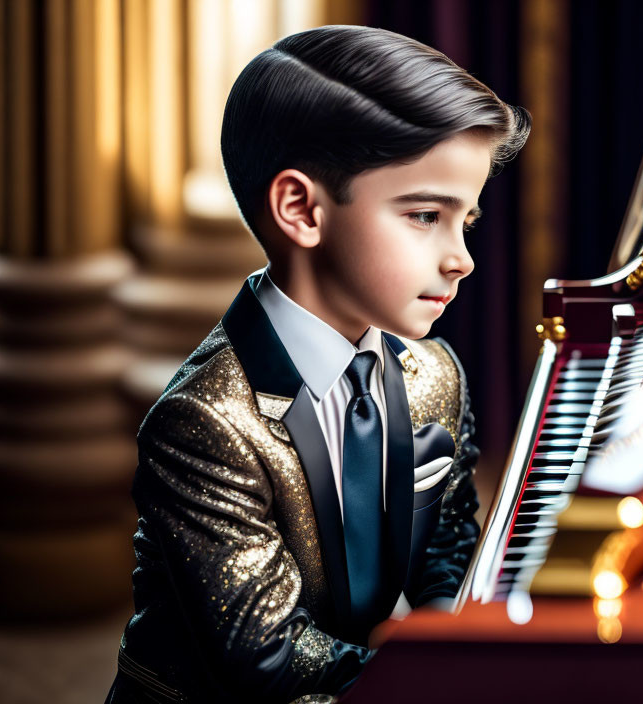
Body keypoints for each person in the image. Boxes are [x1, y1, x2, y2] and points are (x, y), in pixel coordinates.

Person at [105, 24, 530, 704]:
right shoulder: (204, 424)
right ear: (302, 209)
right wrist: (446, 681)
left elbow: (449, 538)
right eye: (425, 215)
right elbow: (269, 658)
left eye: (466, 222)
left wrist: (444, 629)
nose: (462, 258)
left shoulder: (434, 373)